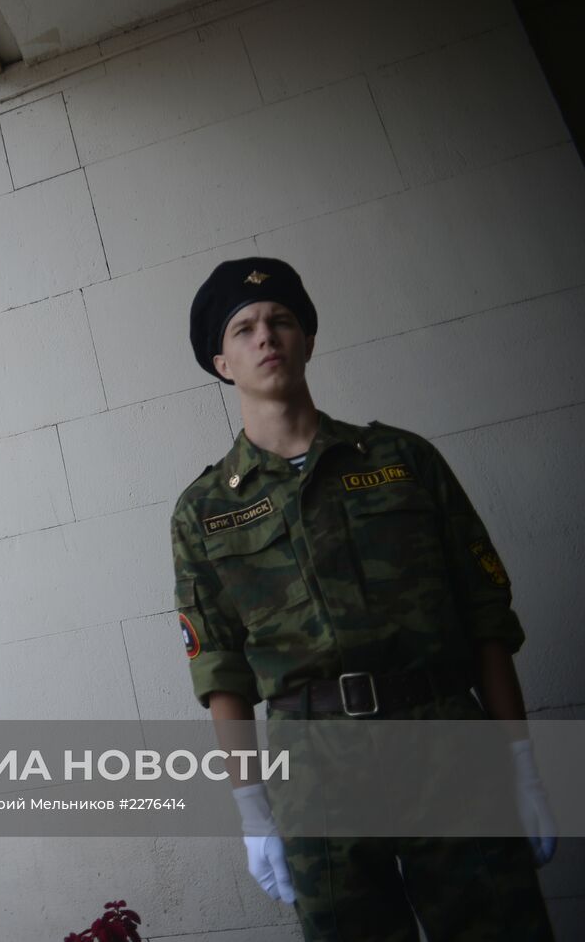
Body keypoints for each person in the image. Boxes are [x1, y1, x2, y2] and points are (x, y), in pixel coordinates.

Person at [169, 257, 557, 940]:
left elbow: (486, 620)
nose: (266, 337)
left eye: (282, 320)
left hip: (446, 742)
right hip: (314, 769)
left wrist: (519, 761)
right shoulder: (203, 512)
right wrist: (251, 808)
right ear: (222, 361)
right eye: (245, 327)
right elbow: (220, 670)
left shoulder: (403, 460)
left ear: (308, 340)